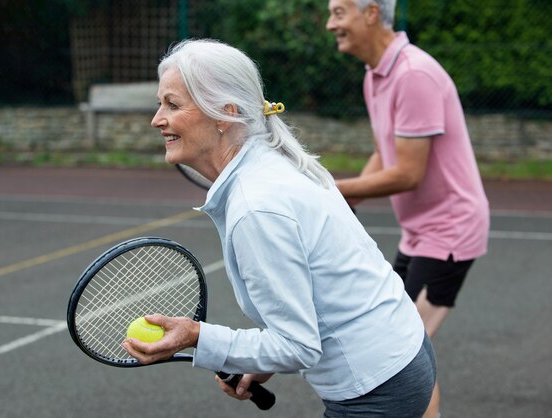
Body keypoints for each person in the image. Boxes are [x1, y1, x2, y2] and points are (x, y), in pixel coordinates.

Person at [122, 38, 436, 417]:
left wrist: (196, 336)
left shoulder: (257, 206)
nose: (157, 118)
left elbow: (299, 346)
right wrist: (259, 360)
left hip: (377, 387)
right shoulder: (273, 162)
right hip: (403, 353)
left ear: (224, 114)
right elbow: (323, 292)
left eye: (172, 104)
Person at [326, 1, 490, 417]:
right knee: (395, 341)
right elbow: (387, 151)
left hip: (451, 230)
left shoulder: (413, 74)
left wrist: (330, 188)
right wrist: (348, 197)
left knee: (407, 351)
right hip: (419, 232)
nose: (331, 24)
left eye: (339, 12)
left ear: (370, 14)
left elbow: (409, 173)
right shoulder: (375, 74)